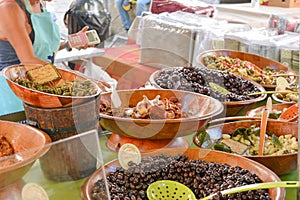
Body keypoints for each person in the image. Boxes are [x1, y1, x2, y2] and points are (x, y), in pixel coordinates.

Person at [0, 0, 88, 116]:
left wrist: (69, 43)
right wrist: (75, 88)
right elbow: (30, 61)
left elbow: (43, 49)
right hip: (16, 96)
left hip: (44, 87)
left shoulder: (39, 5)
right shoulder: (8, 8)